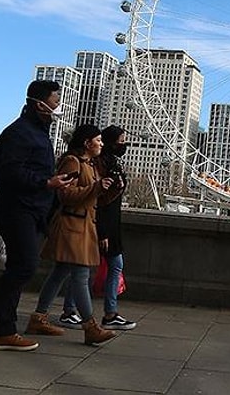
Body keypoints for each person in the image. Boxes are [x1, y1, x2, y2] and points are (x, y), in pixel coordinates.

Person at [0, 80, 76, 353]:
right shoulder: (18, 133)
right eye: (54, 100)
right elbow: (4, 174)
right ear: (39, 104)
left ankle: (5, 330)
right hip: (16, 208)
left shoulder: (38, 133)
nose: (58, 105)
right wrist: (46, 183)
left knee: (16, 267)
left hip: (32, 209)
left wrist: (52, 183)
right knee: (25, 266)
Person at [24, 124, 117, 346]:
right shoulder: (72, 162)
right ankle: (90, 326)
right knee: (81, 276)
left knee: (59, 273)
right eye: (98, 140)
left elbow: (93, 198)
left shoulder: (90, 165)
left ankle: (39, 317)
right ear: (87, 143)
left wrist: (111, 190)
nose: (101, 144)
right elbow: (65, 194)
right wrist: (96, 187)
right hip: (72, 226)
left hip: (82, 226)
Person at [58, 125, 136, 331]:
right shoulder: (89, 164)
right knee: (86, 270)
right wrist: (102, 231)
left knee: (70, 270)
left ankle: (63, 311)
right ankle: (97, 317)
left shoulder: (107, 163)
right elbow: (93, 200)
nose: (124, 144)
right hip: (95, 225)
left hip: (104, 224)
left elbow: (103, 197)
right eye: (121, 140)